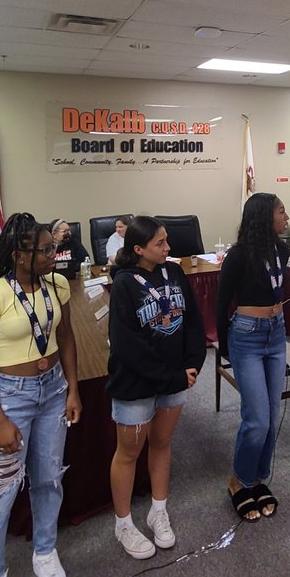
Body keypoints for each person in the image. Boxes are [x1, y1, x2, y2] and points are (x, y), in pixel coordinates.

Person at [0, 213, 81, 577]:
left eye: (55, 247)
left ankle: (45, 552)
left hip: (52, 392)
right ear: (19, 255)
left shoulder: (58, 285)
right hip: (10, 398)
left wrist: (73, 389)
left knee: (49, 478)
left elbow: (65, 337)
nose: (56, 254)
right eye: (47, 250)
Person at [107, 216, 205, 559]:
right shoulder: (123, 284)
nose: (168, 247)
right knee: (129, 452)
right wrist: (173, 376)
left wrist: (193, 363)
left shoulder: (174, 272)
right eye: (160, 243)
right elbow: (126, 345)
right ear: (138, 249)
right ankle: (123, 524)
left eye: (167, 241)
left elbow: (193, 320)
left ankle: (158, 510)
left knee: (161, 444)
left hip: (175, 378)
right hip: (137, 383)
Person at [217, 193, 290, 519]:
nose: (286, 216)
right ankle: (239, 480)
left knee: (272, 415)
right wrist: (223, 348)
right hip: (246, 337)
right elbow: (220, 304)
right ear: (264, 217)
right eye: (280, 211)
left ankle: (257, 478)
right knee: (257, 419)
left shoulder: (282, 249)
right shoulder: (238, 256)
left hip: (276, 334)